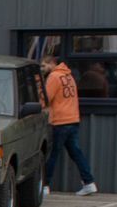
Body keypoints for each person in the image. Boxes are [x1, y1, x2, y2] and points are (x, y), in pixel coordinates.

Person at [41, 53, 97, 195]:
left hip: (60, 121)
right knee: (76, 153)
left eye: (44, 65)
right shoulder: (68, 76)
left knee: (52, 154)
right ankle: (89, 182)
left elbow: (46, 99)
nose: (42, 68)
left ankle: (44, 185)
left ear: (51, 63)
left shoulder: (54, 77)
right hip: (72, 119)